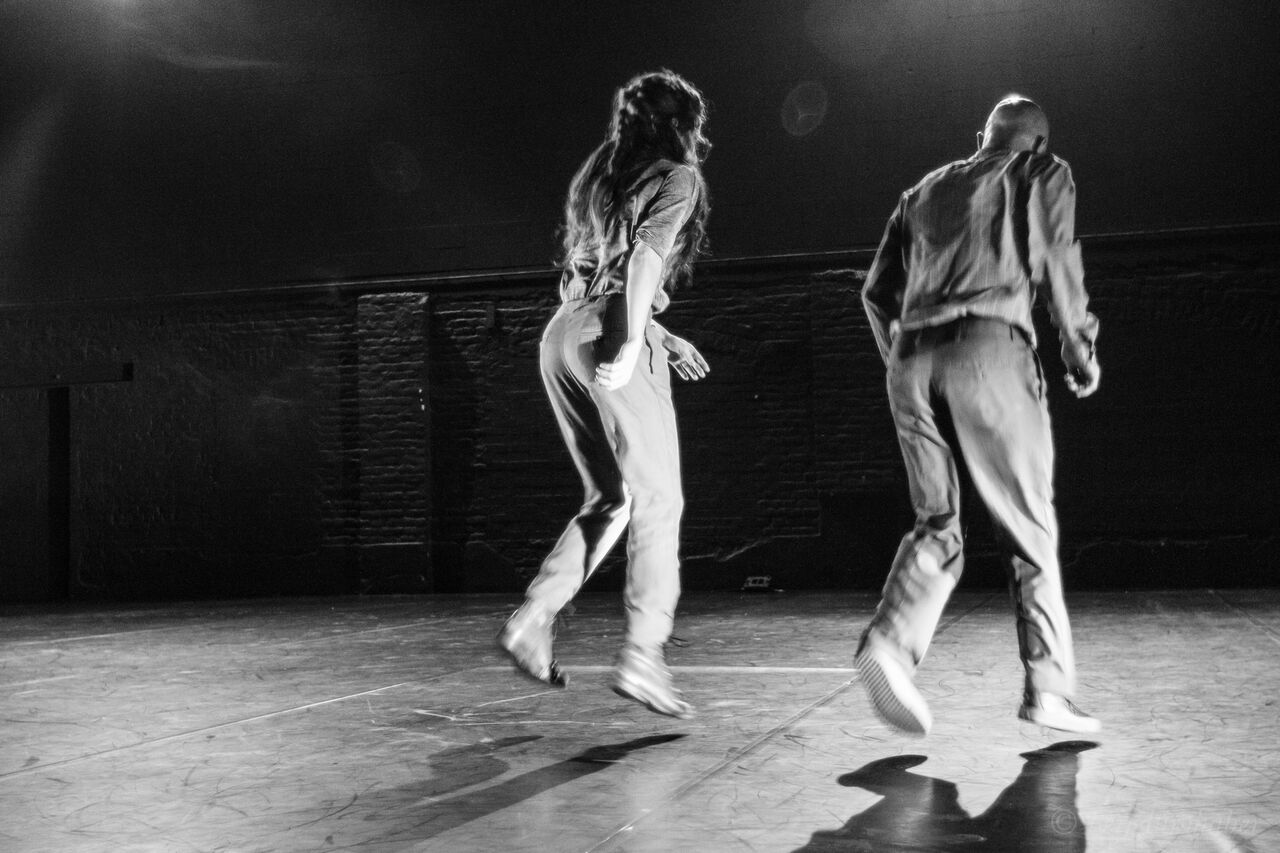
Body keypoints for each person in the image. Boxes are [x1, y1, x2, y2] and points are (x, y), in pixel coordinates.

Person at [856, 95, 1102, 735]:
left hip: (911, 361)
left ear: (981, 136)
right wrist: (1078, 349)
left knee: (937, 522)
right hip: (989, 350)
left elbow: (875, 293)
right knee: (1028, 526)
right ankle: (1048, 691)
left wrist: (901, 364)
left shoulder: (922, 191)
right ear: (1038, 142)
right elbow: (1057, 257)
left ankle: (889, 644)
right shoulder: (1040, 171)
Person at [497, 70, 712, 719]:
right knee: (658, 498)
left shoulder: (597, 173)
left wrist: (657, 333)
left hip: (560, 337)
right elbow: (644, 260)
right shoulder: (678, 176)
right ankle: (644, 654)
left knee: (612, 497)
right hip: (611, 333)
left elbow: (593, 279)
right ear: (680, 127)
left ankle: (534, 616)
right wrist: (634, 341)